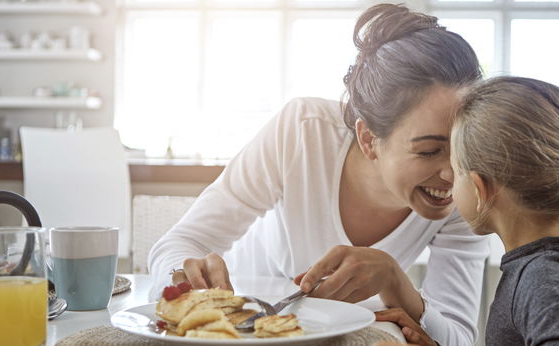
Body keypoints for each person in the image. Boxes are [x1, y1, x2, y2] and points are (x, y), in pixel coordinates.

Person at [148, 4, 489, 345]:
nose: (452, 172)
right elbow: (180, 243)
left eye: (464, 146)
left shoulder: (470, 187)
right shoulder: (302, 132)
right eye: (429, 150)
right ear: (369, 138)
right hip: (242, 323)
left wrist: (394, 281)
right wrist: (182, 282)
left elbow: (457, 337)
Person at [378, 76, 559, 346]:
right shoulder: (546, 268)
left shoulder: (544, 278)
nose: (448, 181)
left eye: (457, 171)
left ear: (481, 188)